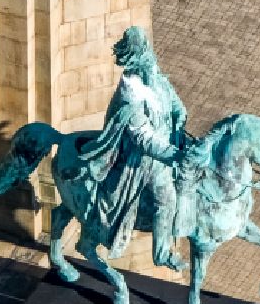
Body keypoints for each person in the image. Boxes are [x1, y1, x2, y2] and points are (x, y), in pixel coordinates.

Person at [80, 26, 190, 268]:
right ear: (136, 61)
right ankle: (162, 254)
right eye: (145, 56)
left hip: (170, 144)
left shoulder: (156, 79)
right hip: (143, 159)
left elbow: (174, 102)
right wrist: (174, 155)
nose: (151, 60)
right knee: (167, 199)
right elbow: (143, 137)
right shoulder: (131, 93)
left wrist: (180, 115)